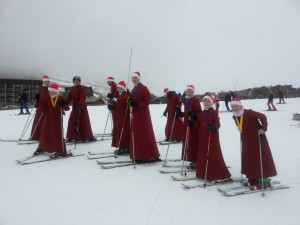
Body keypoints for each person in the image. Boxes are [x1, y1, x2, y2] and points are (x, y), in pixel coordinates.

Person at [231, 98, 277, 189]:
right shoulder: (235, 116)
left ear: (240, 105)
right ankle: (253, 178)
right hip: (246, 140)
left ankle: (264, 181)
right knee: (249, 158)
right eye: (232, 106)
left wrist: (263, 128)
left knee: (259, 158)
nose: (235, 108)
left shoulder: (249, 112)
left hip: (257, 138)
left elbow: (263, 117)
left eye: (236, 105)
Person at [196, 94, 231, 181]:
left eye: (208, 101)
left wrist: (215, 126)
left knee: (213, 153)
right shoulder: (202, 113)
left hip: (212, 136)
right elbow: (198, 124)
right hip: (203, 137)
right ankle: (203, 172)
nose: (206, 103)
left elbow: (218, 123)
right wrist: (192, 123)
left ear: (211, 103)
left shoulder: (214, 112)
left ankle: (215, 172)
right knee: (203, 153)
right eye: (205, 101)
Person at [127, 71, 160, 163]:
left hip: (143, 114)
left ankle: (149, 154)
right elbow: (132, 102)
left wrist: (137, 104)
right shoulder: (133, 90)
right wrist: (129, 99)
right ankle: (138, 155)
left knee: (144, 132)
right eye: (133, 78)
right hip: (135, 114)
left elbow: (147, 100)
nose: (134, 79)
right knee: (137, 134)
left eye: (135, 78)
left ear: (139, 78)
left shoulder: (144, 88)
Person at [33, 84, 70, 157]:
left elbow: (67, 108)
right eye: (49, 91)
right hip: (48, 119)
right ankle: (42, 147)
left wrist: (63, 105)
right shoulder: (47, 98)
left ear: (55, 91)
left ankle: (60, 150)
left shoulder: (60, 98)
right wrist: (38, 100)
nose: (49, 92)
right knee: (45, 133)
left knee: (57, 134)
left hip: (57, 120)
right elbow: (42, 107)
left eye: (50, 91)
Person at [66, 76, 95, 142]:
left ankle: (87, 136)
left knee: (83, 121)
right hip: (74, 107)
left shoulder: (82, 88)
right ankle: (72, 136)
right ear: (73, 81)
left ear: (80, 81)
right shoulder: (72, 89)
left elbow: (82, 96)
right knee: (72, 121)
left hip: (81, 106)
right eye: (75, 80)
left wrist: (80, 104)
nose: (76, 82)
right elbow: (68, 98)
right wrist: (64, 103)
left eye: (78, 80)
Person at [181, 84, 202, 164]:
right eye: (187, 91)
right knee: (188, 141)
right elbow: (186, 113)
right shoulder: (186, 100)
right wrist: (181, 113)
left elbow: (199, 113)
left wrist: (193, 114)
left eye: (190, 91)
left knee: (193, 141)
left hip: (193, 123)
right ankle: (189, 157)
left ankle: (195, 159)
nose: (188, 93)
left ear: (193, 92)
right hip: (187, 122)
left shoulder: (195, 100)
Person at [109, 81, 131, 155]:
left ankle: (125, 147)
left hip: (124, 117)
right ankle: (123, 147)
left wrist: (114, 99)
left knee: (123, 131)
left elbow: (124, 101)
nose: (117, 88)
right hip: (119, 116)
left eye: (118, 87)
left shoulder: (126, 95)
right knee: (119, 130)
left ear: (122, 88)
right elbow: (117, 102)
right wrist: (112, 106)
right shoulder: (120, 95)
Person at [30, 75, 50, 140]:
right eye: (45, 81)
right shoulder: (41, 88)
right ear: (43, 82)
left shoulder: (49, 89)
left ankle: (44, 136)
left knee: (45, 122)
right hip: (40, 108)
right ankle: (36, 135)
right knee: (37, 121)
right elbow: (40, 97)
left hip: (47, 108)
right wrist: (37, 99)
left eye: (48, 81)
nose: (47, 83)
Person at [106, 76, 119, 146]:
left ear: (111, 81)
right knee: (115, 119)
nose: (107, 83)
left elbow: (117, 96)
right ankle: (115, 130)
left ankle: (115, 131)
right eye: (107, 81)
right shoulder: (113, 86)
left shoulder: (114, 86)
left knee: (115, 118)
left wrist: (112, 97)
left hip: (116, 106)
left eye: (108, 81)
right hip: (114, 104)